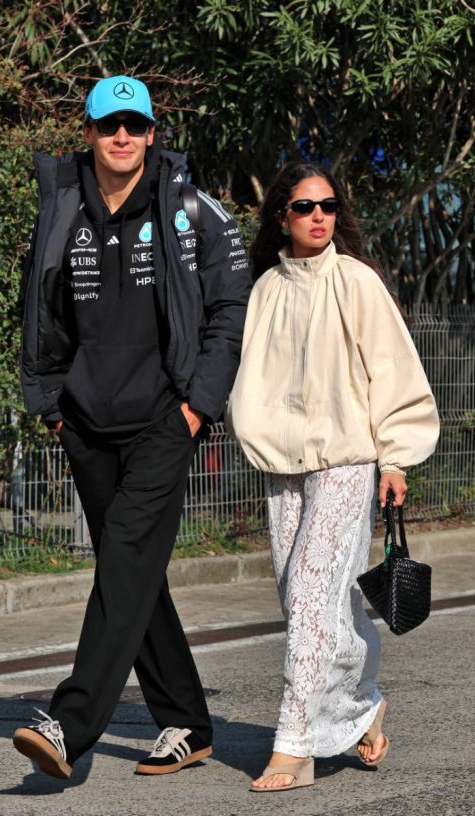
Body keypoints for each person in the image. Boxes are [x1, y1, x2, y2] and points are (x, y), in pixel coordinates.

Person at [14, 75, 251, 780]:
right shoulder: (60, 205)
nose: (122, 137)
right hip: (84, 421)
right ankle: (186, 719)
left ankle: (70, 721)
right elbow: (38, 305)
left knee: (122, 556)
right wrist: (51, 405)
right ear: (85, 132)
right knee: (134, 568)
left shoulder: (189, 208)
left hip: (163, 418)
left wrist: (197, 404)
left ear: (153, 134)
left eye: (134, 125)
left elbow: (229, 308)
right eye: (107, 125)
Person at [226, 161, 439, 793]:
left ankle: (294, 747)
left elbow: (394, 372)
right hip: (282, 468)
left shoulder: (357, 282)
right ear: (281, 218)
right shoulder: (266, 289)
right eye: (302, 207)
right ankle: (364, 705)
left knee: (317, 603)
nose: (318, 216)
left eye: (327, 205)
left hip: (347, 461)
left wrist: (395, 457)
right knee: (303, 602)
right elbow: (255, 379)